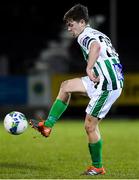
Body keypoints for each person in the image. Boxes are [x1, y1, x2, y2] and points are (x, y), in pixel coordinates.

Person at [30, 4, 124, 176]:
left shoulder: (85, 35)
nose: (69, 28)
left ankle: (97, 167)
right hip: (103, 78)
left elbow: (95, 47)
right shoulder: (97, 33)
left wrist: (89, 68)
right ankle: (47, 126)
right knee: (66, 86)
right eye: (67, 25)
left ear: (82, 22)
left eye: (71, 24)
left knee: (89, 126)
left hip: (106, 84)